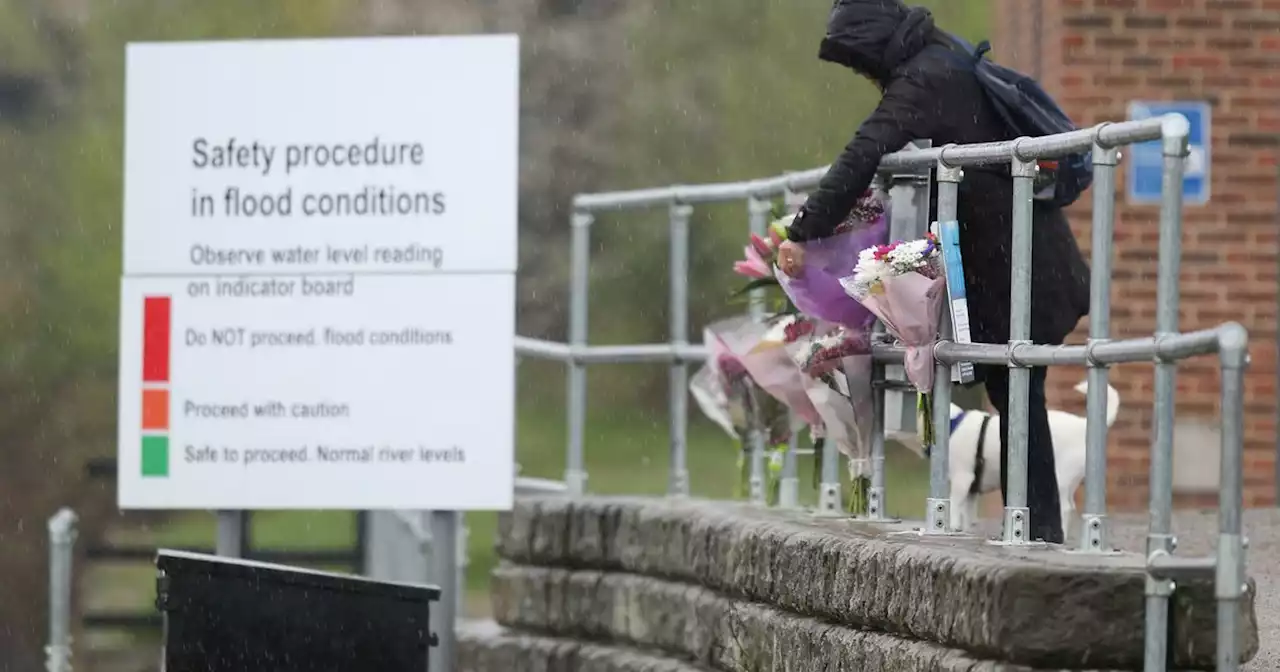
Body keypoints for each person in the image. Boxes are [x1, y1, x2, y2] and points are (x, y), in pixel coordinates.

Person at [776, 0, 1090, 544]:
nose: (861, 74)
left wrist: (803, 231)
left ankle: (1037, 531)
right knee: (1015, 388)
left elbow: (863, 152)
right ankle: (1036, 527)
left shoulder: (925, 78)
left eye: (858, 62)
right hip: (1023, 261)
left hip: (1020, 267)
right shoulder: (944, 57)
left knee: (1016, 388)